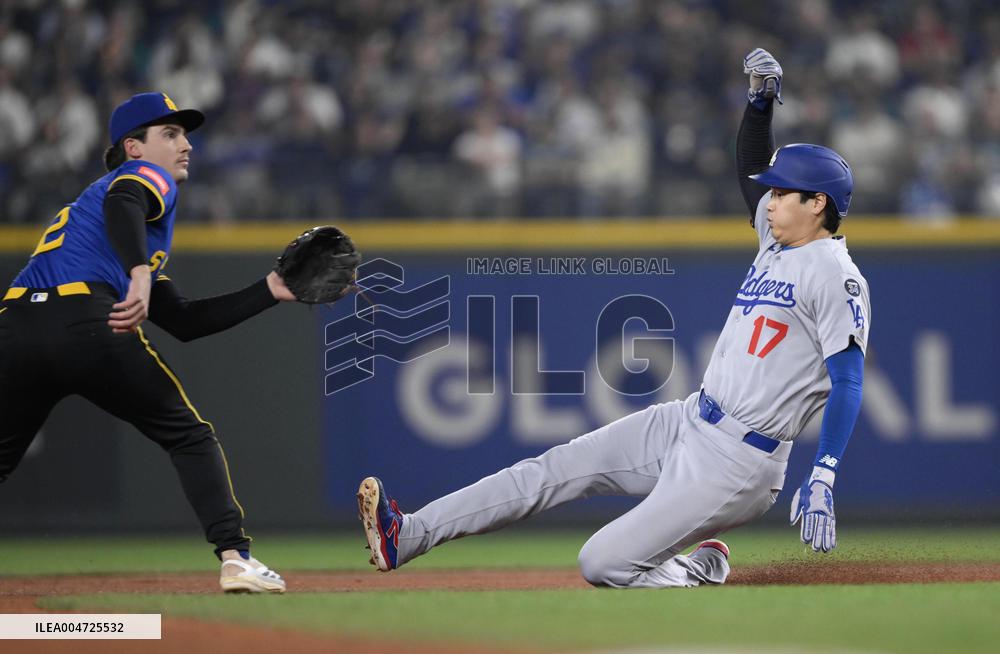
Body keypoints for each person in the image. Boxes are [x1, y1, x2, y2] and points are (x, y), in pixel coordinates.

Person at [357, 49, 870, 588]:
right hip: (691, 419)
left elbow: (849, 382)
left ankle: (695, 572)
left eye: (783, 192)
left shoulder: (836, 273)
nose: (769, 199)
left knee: (601, 562)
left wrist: (825, 473)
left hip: (741, 462)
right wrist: (761, 102)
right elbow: (750, 167)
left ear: (817, 204)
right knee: (550, 470)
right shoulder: (779, 241)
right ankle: (406, 534)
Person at [0, 92, 303, 593]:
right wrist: (138, 274)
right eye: (170, 134)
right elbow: (127, 200)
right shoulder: (138, 183)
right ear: (133, 147)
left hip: (15, 327)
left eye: (184, 134)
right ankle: (236, 559)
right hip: (88, 321)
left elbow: (183, 320)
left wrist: (269, 290)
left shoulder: (105, 223)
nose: (185, 145)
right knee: (189, 435)